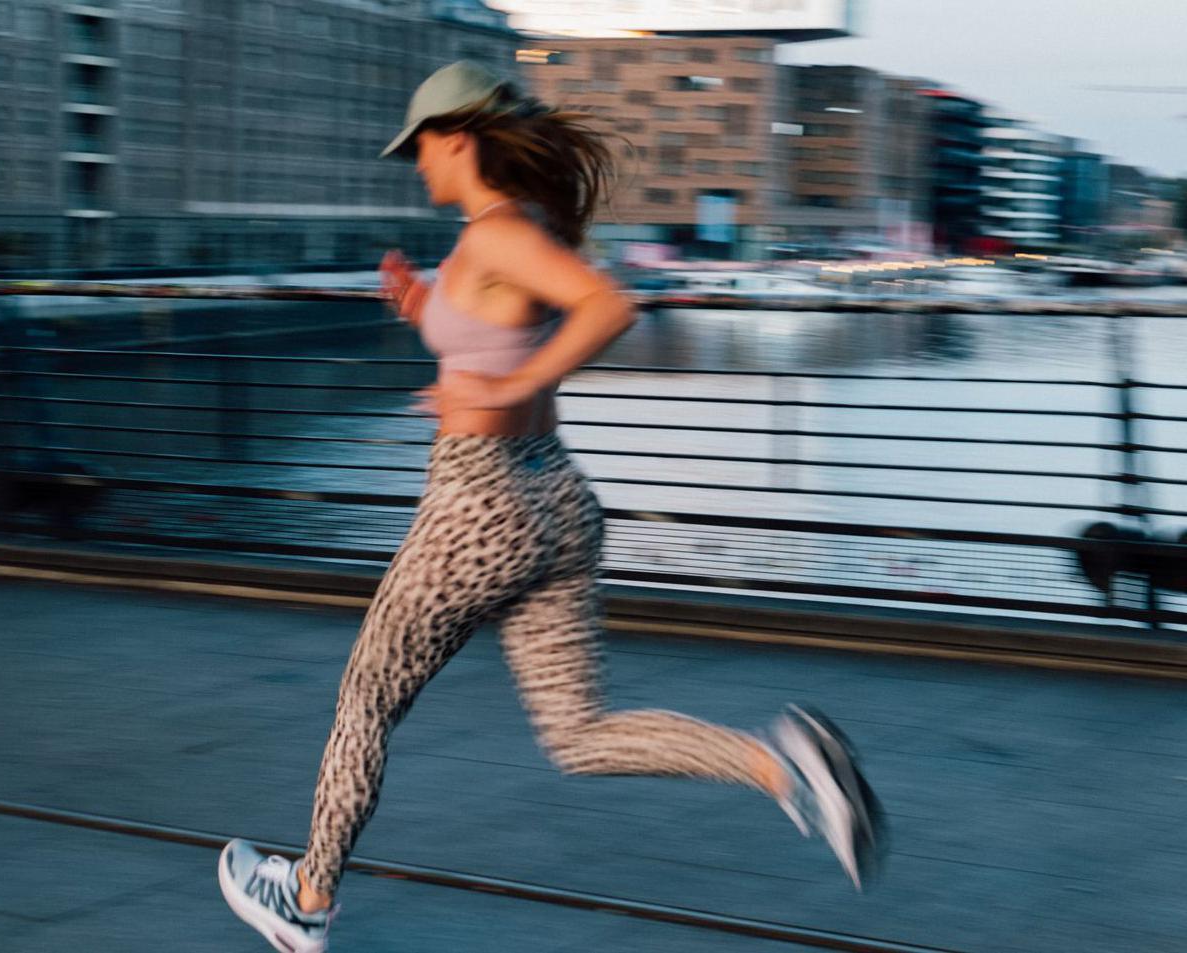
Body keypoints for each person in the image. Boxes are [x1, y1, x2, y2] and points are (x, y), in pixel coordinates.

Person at [218, 61, 884, 953]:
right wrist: (421, 304)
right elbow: (490, 331)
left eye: (419, 147)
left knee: (365, 701)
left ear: (455, 138)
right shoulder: (496, 236)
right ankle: (786, 768)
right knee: (578, 732)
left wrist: (514, 383)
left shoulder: (500, 237)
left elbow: (606, 305)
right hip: (555, 501)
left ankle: (304, 897)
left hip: (477, 503)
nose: (415, 165)